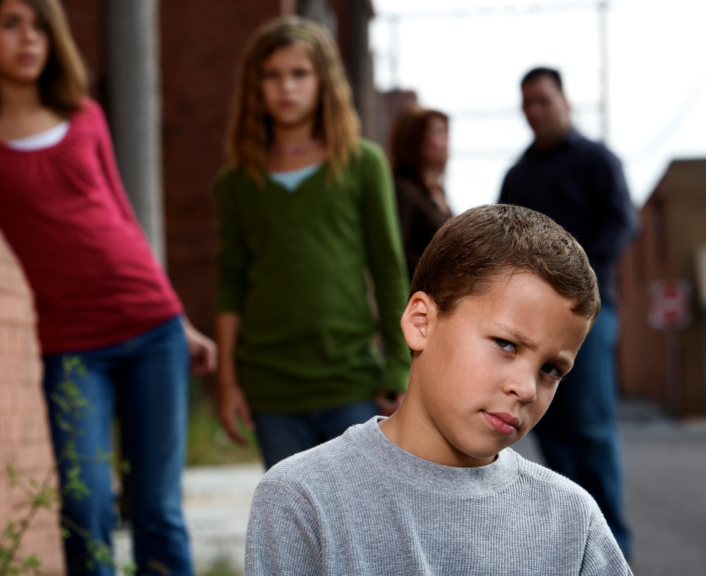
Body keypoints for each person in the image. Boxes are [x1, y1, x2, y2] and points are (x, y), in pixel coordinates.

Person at [0, 1, 216, 574]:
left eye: (41, 26)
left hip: (153, 331)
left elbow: (123, 217)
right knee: (85, 502)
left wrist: (180, 320)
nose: (29, 38)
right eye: (12, 23)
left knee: (157, 507)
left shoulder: (86, 116)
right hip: (72, 347)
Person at [245, 204, 633, 575]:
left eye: (551, 369)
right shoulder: (302, 498)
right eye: (506, 344)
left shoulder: (573, 521)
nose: (526, 388)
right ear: (420, 323)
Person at [213, 16, 411, 471]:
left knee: (359, 525)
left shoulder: (362, 163)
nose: (287, 86)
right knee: (297, 528)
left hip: (351, 382)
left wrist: (401, 366)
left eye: (300, 73)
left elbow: (388, 269)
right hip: (271, 389)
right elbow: (230, 284)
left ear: (324, 81)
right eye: (273, 75)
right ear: (254, 86)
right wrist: (228, 384)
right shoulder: (236, 182)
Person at [499, 67, 637, 555]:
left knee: (591, 430)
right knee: (547, 427)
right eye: (527, 104)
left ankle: (613, 547)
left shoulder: (597, 161)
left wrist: (575, 288)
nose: (535, 111)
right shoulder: (518, 175)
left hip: (589, 321)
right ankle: (568, 548)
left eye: (543, 100)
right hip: (530, 328)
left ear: (564, 100)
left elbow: (623, 221)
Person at [389, 105, 453, 279]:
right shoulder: (402, 190)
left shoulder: (437, 191)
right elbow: (398, 254)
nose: (447, 140)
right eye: (439, 132)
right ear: (415, 139)